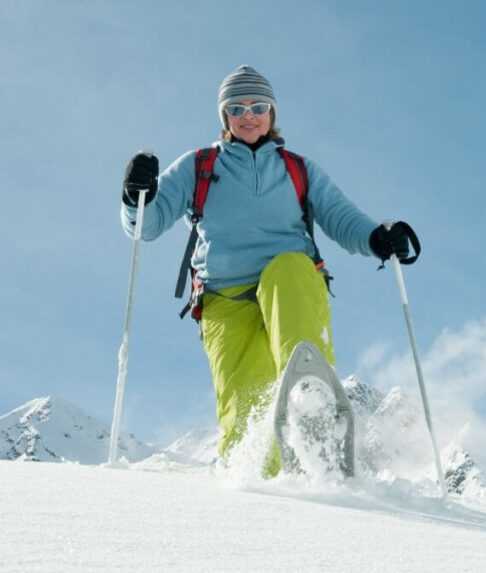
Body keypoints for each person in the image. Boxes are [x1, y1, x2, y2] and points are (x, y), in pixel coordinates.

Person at [120, 65, 416, 473]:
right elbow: (145, 226)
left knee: (290, 267)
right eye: (236, 108)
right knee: (244, 415)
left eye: (258, 106)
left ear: (272, 113)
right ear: (224, 116)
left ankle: (311, 399)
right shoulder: (199, 165)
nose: (249, 115)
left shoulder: (298, 169)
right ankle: (261, 491)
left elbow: (342, 218)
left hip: (289, 284)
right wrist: (136, 196)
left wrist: (378, 239)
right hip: (224, 298)